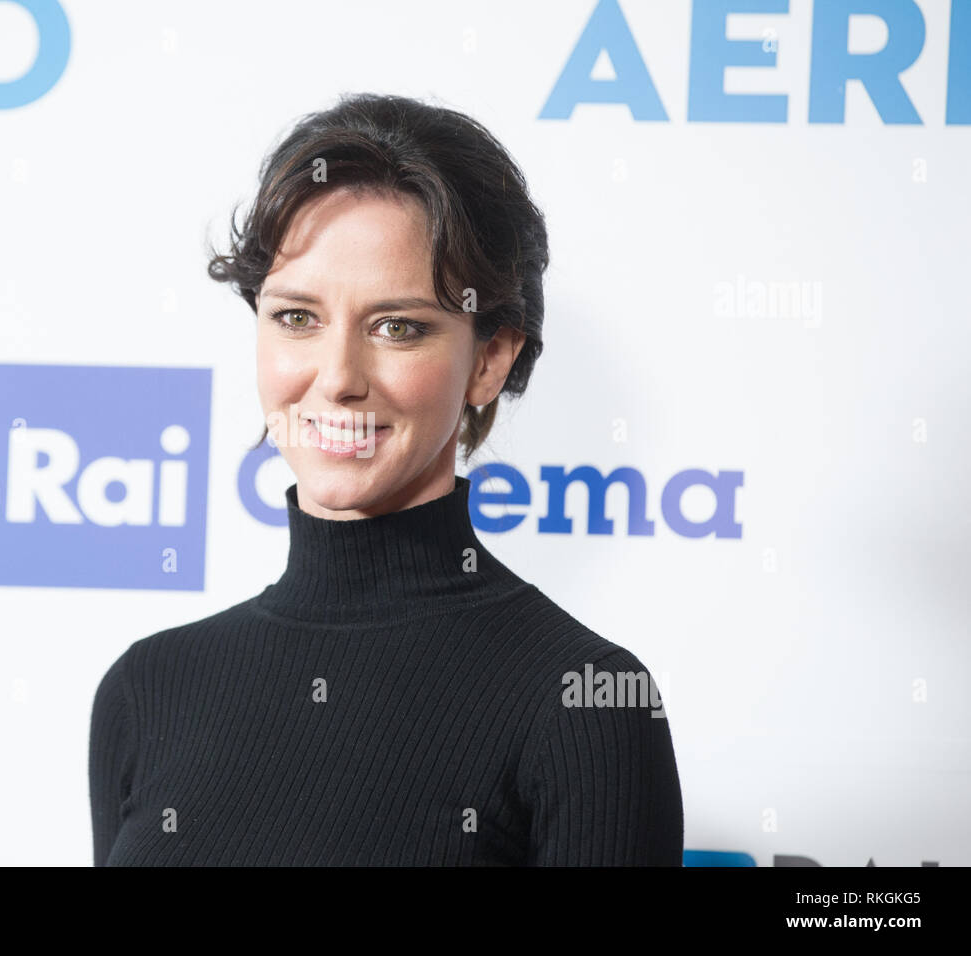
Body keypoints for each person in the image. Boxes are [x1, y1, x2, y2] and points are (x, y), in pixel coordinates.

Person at [89, 92, 684, 866]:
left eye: (397, 327)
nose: (337, 379)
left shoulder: (584, 702)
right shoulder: (149, 688)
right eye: (297, 317)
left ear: (491, 359)